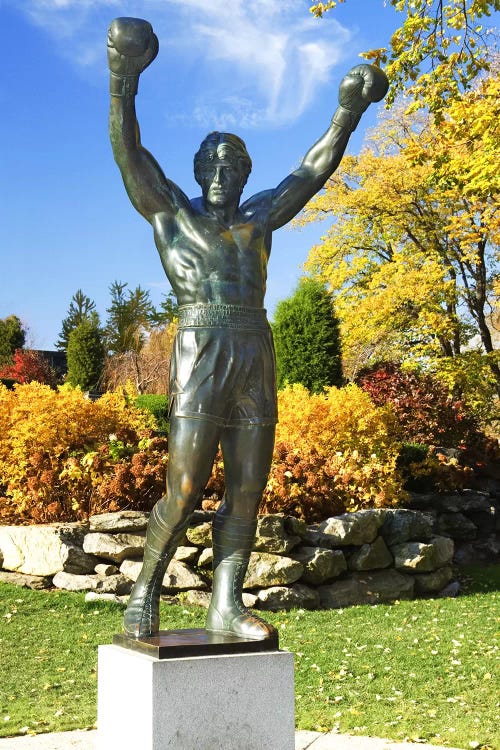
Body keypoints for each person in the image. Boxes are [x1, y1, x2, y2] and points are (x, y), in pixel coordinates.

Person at [107, 17, 388, 640]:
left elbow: (312, 171)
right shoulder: (171, 213)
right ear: (198, 166)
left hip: (254, 348)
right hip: (201, 346)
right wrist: (122, 80)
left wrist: (347, 110)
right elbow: (129, 152)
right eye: (212, 160)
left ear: (244, 174)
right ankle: (145, 589)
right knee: (182, 489)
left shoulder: (260, 218)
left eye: (233, 164)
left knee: (247, 489)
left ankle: (225, 605)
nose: (221, 171)